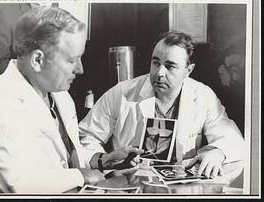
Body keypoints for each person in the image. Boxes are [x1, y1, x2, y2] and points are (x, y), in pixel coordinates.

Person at [0, 5, 142, 194]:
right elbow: (17, 181)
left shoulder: (59, 94)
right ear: (38, 60)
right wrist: (80, 175)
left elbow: (63, 153)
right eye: (71, 60)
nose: (80, 70)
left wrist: (103, 160)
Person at [79, 31, 245, 178]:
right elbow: (85, 137)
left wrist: (217, 153)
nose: (159, 73)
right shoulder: (121, 93)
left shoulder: (202, 95)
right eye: (156, 63)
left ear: (189, 70)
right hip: (129, 182)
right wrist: (105, 160)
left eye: (170, 66)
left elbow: (232, 138)